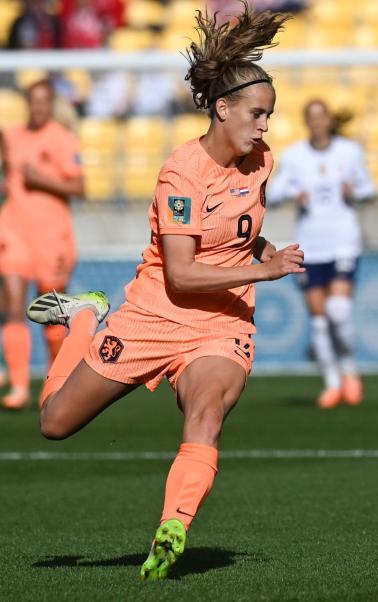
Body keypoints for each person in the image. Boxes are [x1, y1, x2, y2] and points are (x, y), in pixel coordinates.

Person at [24, 2, 302, 580]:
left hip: (222, 323)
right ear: (222, 109)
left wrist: (263, 249)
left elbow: (240, 226)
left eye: (270, 115)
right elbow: (182, 274)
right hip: (156, 311)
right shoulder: (181, 173)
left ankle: (172, 526)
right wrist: (265, 273)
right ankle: (84, 318)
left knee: (206, 411)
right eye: (257, 114)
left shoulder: (261, 162)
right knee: (54, 422)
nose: (265, 126)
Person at [266, 100, 375, 408]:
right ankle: (332, 384)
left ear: (328, 120)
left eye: (321, 117)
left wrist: (354, 192)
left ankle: (350, 370)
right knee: (318, 321)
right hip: (310, 246)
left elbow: (369, 188)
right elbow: (273, 195)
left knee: (338, 311)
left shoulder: (349, 152)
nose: (316, 123)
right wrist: (291, 193)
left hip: (343, 242)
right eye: (311, 117)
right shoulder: (295, 157)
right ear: (307, 122)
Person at [0, 79, 84, 410]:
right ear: (27, 103)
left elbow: (80, 188)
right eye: (32, 101)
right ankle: (19, 387)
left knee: (49, 314)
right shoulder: (11, 135)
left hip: (52, 236)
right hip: (14, 230)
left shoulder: (63, 140)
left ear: (50, 105)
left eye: (43, 101)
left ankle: (53, 382)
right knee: (14, 306)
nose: (37, 107)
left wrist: (42, 180)